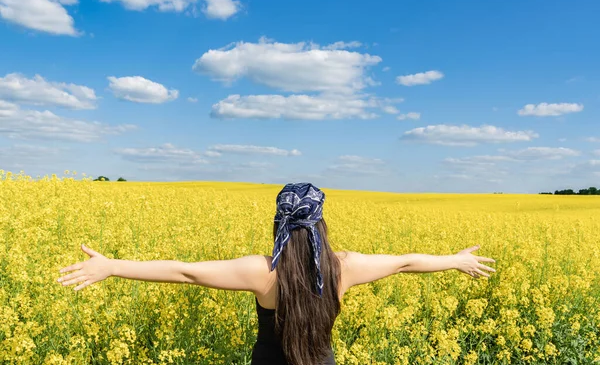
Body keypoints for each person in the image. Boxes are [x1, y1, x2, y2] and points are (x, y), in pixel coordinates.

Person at [57, 182, 496, 365]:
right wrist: (456, 260)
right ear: (320, 223)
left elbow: (185, 273)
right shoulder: (344, 267)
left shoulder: (261, 272)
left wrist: (111, 266)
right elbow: (406, 262)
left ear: (279, 224)